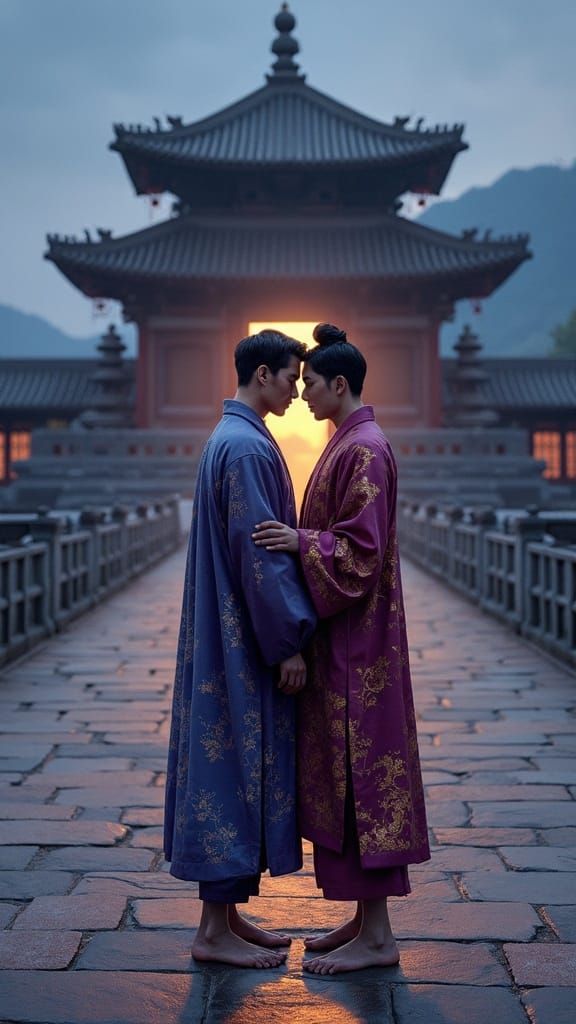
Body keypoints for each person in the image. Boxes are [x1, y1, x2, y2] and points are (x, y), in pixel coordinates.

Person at [253, 322, 430, 974]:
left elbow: (360, 553)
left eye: (312, 385)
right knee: (347, 779)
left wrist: (302, 544)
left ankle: (379, 938)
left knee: (363, 782)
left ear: (340, 384)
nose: (301, 395)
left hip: (363, 653)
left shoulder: (364, 451)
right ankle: (363, 922)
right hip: (347, 646)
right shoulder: (347, 443)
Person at [164, 329, 317, 969]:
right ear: (261, 374)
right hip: (240, 641)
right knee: (231, 764)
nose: (295, 389)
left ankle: (225, 917)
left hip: (221, 632)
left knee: (223, 762)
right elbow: (260, 559)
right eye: (288, 377)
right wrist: (288, 643)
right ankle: (212, 932)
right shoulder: (249, 449)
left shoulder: (226, 438)